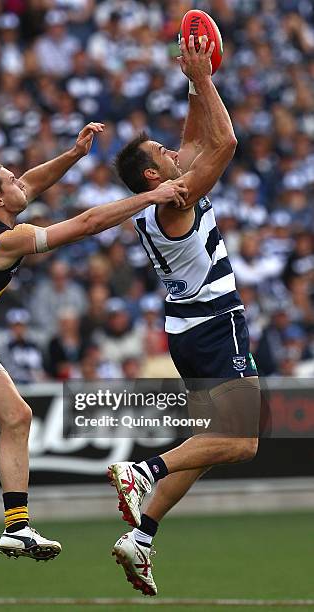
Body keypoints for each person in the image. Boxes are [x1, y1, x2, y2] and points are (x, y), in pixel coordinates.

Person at [0, 122, 187, 564]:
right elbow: (87, 223)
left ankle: (17, 527)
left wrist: (74, 154)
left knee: (18, 416)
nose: (23, 181)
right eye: (12, 180)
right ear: (0, 200)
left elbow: (34, 181)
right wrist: (149, 197)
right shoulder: (7, 240)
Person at [108, 36, 261, 596]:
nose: (174, 154)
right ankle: (141, 471)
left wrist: (195, 78)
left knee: (211, 440)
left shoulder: (160, 198)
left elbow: (196, 139)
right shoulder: (177, 199)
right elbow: (224, 142)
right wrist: (204, 81)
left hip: (187, 328)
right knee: (242, 442)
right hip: (214, 325)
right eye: (163, 156)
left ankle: (142, 536)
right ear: (154, 177)